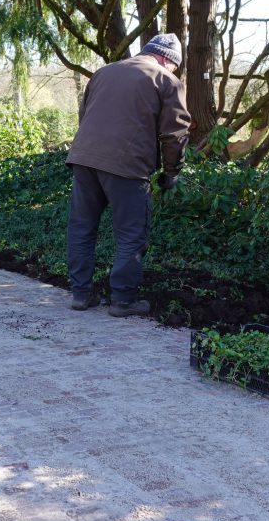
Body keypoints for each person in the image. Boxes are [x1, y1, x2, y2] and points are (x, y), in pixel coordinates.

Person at [65, 33, 192, 317]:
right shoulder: (166, 80)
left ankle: (81, 294)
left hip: (84, 159)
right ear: (167, 60)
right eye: (174, 66)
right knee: (132, 233)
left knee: (82, 228)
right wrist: (172, 172)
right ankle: (123, 299)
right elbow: (175, 133)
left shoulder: (104, 72)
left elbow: (85, 115)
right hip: (127, 164)